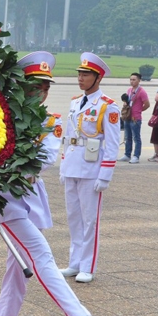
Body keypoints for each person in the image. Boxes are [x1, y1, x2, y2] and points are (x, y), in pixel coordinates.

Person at [0, 52, 117, 316]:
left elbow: (44, 158)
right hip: (4, 203)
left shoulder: (50, 121)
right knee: (42, 256)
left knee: (16, 281)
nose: (40, 92)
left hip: (29, 199)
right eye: (34, 86)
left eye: (44, 87)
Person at [59, 53, 120, 284]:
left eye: (86, 75)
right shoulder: (75, 102)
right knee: (73, 217)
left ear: (98, 78)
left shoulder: (108, 106)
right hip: (73, 165)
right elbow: (68, 136)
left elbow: (112, 143)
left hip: (92, 168)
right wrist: (63, 166)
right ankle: (74, 262)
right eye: (80, 74)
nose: (80, 78)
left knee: (89, 220)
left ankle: (88, 265)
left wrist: (105, 175)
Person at [119, 72, 149, 163]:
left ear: (139, 80)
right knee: (128, 137)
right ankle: (127, 154)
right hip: (128, 117)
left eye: (134, 80)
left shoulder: (142, 92)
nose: (132, 81)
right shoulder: (129, 90)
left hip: (135, 118)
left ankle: (136, 156)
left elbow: (147, 104)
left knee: (136, 138)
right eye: (131, 79)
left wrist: (139, 110)